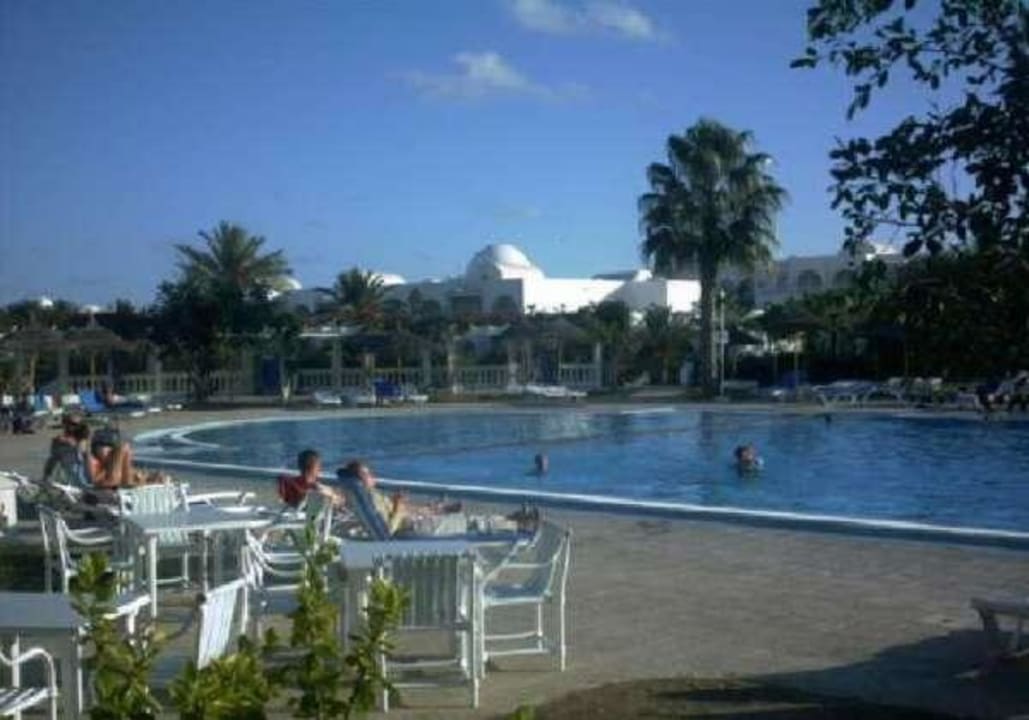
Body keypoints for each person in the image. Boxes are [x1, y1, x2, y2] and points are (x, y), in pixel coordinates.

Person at [340, 459, 460, 535]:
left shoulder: (362, 495)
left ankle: (438, 508)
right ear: (360, 479)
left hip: (405, 518)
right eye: (367, 474)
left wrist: (397, 504)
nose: (372, 476)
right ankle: (439, 509)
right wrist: (397, 505)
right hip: (408, 527)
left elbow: (384, 514)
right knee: (463, 523)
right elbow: (388, 530)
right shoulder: (369, 498)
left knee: (417, 509)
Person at [89, 430, 165, 489]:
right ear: (96, 448)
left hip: (120, 487)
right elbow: (101, 483)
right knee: (124, 448)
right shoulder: (94, 462)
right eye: (108, 446)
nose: (112, 452)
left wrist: (151, 479)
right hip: (107, 489)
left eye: (112, 448)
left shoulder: (118, 463)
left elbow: (135, 476)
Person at [277, 449, 345, 510]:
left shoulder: (288, 483)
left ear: (299, 465)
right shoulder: (317, 489)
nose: (320, 469)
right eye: (319, 466)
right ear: (314, 468)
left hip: (289, 517)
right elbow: (339, 502)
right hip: (310, 521)